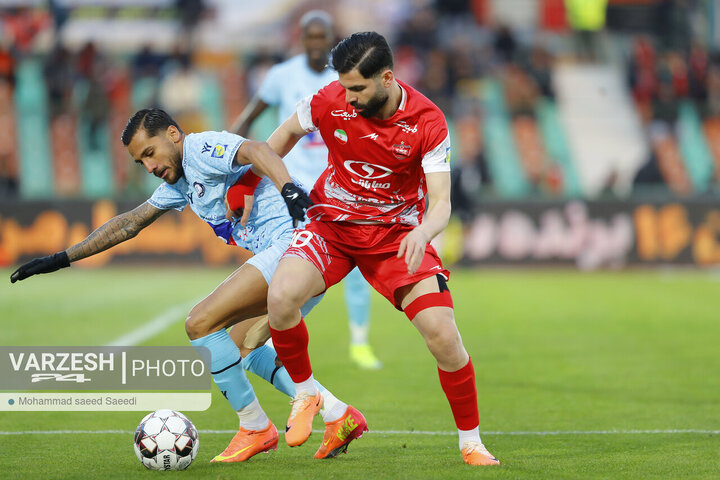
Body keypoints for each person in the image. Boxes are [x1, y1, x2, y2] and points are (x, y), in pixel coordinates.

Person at [9, 108, 367, 462]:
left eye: (149, 153)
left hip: (296, 244)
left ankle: (255, 427)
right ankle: (338, 415)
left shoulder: (202, 149)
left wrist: (287, 189)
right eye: (140, 162)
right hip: (293, 252)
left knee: (199, 323)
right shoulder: (178, 181)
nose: (149, 167)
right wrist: (61, 258)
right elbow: (129, 223)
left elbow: (259, 150)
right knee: (242, 346)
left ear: (173, 135)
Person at [256, 32, 500, 466]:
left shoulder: (428, 121)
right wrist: (257, 184)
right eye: (344, 87)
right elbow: (283, 134)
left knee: (444, 336)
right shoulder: (329, 99)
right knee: (280, 298)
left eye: (358, 89)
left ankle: (471, 442)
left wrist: (423, 233)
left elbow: (442, 201)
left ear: (387, 78)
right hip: (332, 224)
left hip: (395, 238)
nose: (347, 98)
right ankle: (308, 395)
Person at [231, 10, 381, 370]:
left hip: (338, 184)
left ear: (332, 39)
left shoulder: (346, 77)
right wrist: (235, 163)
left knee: (356, 267)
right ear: (301, 39)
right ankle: (267, 331)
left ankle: (359, 341)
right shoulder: (282, 75)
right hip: (292, 185)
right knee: (291, 260)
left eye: (322, 37)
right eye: (310, 37)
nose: (316, 44)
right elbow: (251, 115)